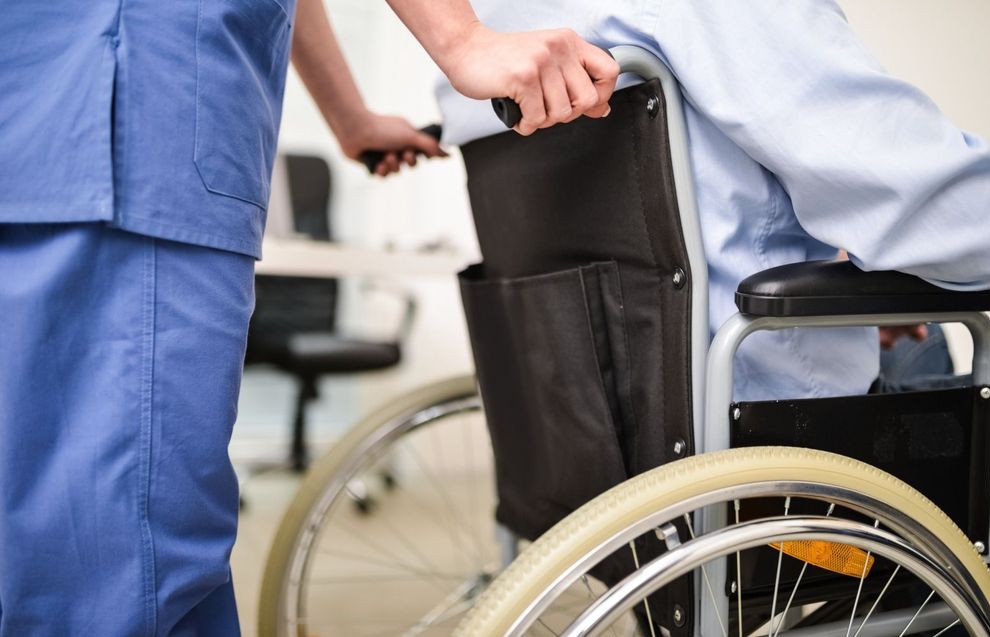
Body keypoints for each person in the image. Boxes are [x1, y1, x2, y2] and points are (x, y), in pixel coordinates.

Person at [0, 0, 618, 634]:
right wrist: (463, 41)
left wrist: (349, 115)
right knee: (119, 569)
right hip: (128, 125)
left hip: (41, 116)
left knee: (41, 538)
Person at [436, 1, 990, 530]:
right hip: (775, 478)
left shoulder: (493, 33)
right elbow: (959, 219)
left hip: (606, 467)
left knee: (928, 337)